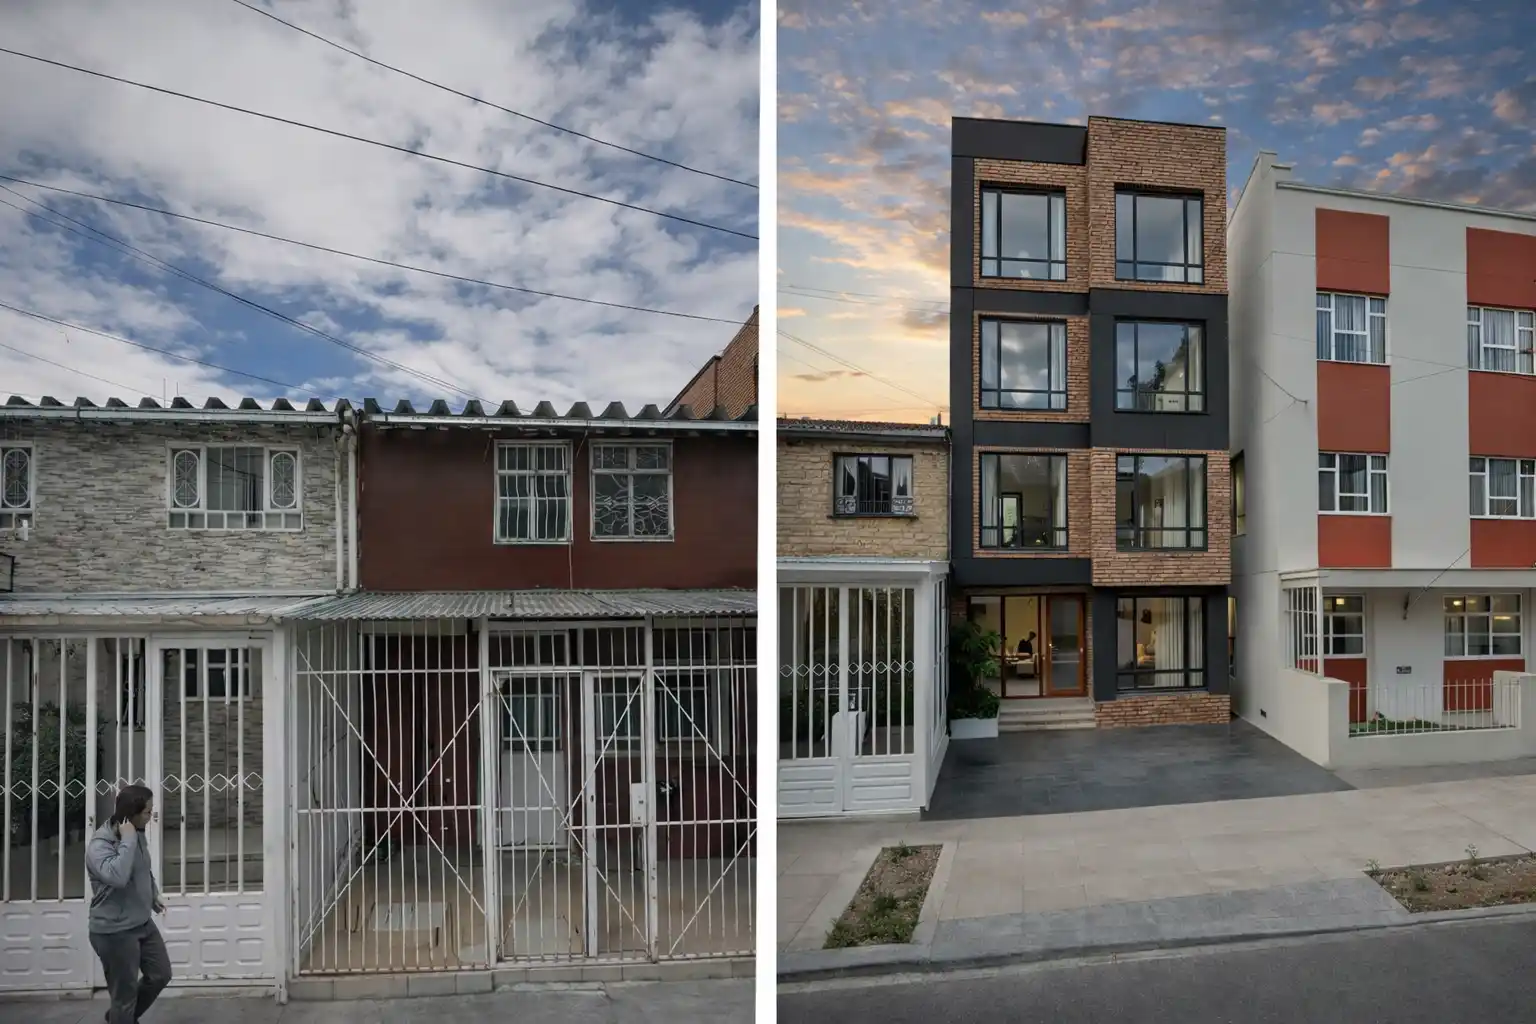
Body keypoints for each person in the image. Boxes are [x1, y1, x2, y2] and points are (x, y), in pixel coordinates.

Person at [87, 784, 171, 1023]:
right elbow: (119, 876)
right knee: (125, 996)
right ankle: (121, 1017)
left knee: (160, 974)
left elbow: (143, 869)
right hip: (114, 931)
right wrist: (128, 839)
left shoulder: (137, 834)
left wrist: (152, 894)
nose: (151, 816)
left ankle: (118, 1018)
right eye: (147, 812)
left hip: (142, 922)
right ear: (132, 813)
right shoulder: (100, 845)